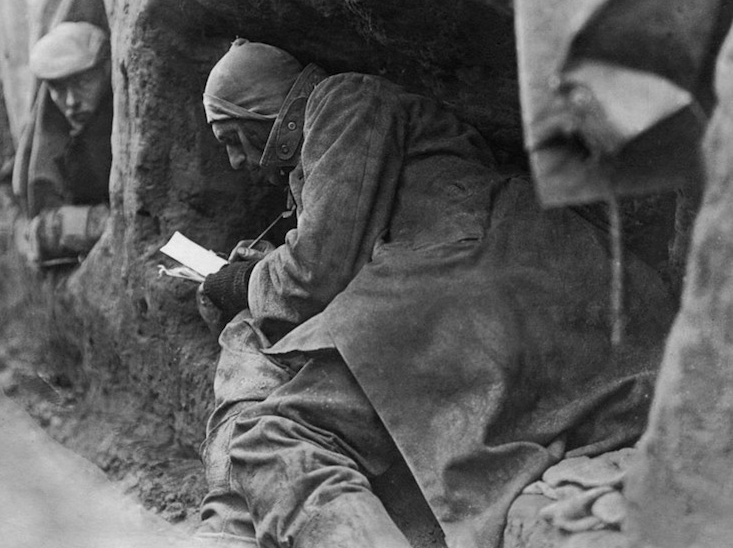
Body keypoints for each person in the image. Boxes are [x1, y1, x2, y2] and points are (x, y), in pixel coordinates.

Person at [193, 39, 675, 548]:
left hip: (467, 292)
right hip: (521, 296)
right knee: (255, 345)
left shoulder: (345, 100)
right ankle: (229, 526)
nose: (234, 159)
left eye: (232, 135)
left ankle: (229, 530)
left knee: (273, 441)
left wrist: (241, 282)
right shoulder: (355, 127)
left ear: (264, 111)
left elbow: (314, 275)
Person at [17, 21, 113, 264]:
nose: (71, 102)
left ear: (107, 70)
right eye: (57, 88)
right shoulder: (55, 129)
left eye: (83, 83)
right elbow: (33, 221)